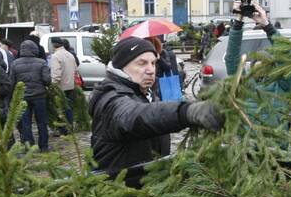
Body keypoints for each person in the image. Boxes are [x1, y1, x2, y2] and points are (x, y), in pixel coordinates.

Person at [89, 37, 223, 179]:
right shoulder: (110, 99)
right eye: (142, 63)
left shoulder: (146, 93)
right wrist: (186, 112)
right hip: (116, 192)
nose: (151, 70)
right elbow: (136, 117)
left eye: (153, 63)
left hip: (149, 189)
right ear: (122, 66)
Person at [9, 38, 52, 151]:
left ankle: (29, 146)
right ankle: (44, 146)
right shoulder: (42, 62)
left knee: (26, 123)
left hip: (23, 97)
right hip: (39, 96)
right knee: (42, 122)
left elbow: (12, 82)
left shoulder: (14, 63)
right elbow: (47, 80)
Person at [49, 37, 78, 129]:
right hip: (70, 85)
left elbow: (56, 74)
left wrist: (53, 86)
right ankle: (70, 126)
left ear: (53, 44)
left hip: (60, 87)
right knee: (68, 107)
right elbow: (75, 69)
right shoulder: (70, 54)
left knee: (60, 108)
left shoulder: (55, 56)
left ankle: (63, 129)